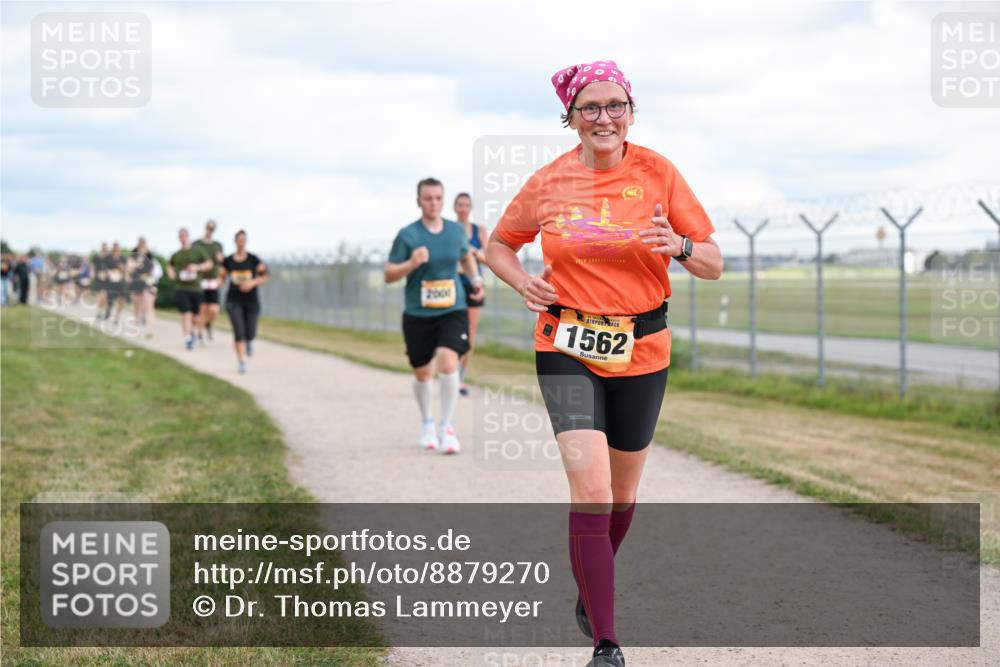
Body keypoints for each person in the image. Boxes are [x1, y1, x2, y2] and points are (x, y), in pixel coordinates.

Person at [485, 60, 723, 667]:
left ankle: (593, 586)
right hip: (565, 347)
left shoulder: (659, 172)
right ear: (569, 117)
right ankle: (606, 642)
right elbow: (497, 246)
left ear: (631, 112)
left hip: (643, 349)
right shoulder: (547, 182)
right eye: (589, 107)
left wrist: (683, 247)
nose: (603, 117)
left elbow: (714, 262)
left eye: (615, 105)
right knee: (590, 489)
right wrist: (521, 283)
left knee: (621, 496)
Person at [384, 177, 484, 455]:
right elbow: (389, 274)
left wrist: (476, 279)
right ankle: (427, 421)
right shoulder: (408, 235)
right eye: (428, 198)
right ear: (419, 201)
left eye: (438, 198)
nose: (434, 203)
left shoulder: (454, 231)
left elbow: (465, 257)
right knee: (422, 372)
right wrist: (411, 263)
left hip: (453, 309)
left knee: (448, 362)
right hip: (418, 313)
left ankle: (447, 426)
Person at [454, 192, 489, 396]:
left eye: (466, 205)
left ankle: (460, 377)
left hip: (473, 285)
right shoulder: (449, 229)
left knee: (469, 334)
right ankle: (448, 371)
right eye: (459, 204)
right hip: (453, 283)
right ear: (455, 207)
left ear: (470, 208)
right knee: (451, 329)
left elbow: (488, 258)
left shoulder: (479, 231)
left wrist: (473, 252)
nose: (463, 208)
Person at [220, 229, 269, 373]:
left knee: (250, 332)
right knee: (239, 331)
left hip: (251, 300)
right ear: (235, 241)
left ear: (246, 241)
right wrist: (218, 282)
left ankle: (249, 341)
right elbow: (221, 277)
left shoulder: (253, 259)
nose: (241, 242)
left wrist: (252, 283)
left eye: (243, 240)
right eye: (239, 240)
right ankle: (241, 361)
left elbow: (266, 276)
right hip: (234, 300)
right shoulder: (228, 260)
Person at [166, 228, 213, 350]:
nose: (183, 237)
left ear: (188, 236)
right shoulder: (176, 254)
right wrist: (171, 273)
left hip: (196, 288)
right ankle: (188, 338)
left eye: (184, 235)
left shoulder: (197, 251)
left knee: (196, 317)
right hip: (181, 288)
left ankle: (199, 334)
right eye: (180, 235)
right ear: (178, 237)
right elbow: (169, 266)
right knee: (186, 314)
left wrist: (197, 267)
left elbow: (209, 264)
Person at [193, 219, 225, 344]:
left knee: (214, 310)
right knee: (202, 309)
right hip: (200, 280)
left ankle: (208, 324)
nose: (210, 230)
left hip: (213, 281)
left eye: (212, 228)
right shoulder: (196, 244)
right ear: (205, 227)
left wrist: (221, 278)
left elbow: (222, 265)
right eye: (208, 227)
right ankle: (200, 335)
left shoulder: (218, 245)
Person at [129, 237, 158, 338]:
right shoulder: (133, 254)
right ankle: (136, 326)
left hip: (148, 283)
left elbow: (155, 270)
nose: (142, 245)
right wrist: (137, 263)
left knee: (149, 305)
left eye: (143, 243)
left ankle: (150, 330)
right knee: (137, 306)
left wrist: (154, 283)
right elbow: (129, 268)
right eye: (140, 243)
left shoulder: (150, 255)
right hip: (137, 283)